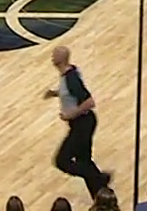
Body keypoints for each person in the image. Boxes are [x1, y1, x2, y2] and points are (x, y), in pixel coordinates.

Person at [42, 45, 110, 198]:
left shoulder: (71, 78)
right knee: (84, 160)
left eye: (55, 55)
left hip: (83, 123)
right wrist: (55, 93)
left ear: (62, 58)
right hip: (81, 123)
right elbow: (69, 92)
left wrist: (71, 114)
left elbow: (89, 102)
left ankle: (99, 178)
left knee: (62, 161)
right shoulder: (67, 74)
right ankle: (101, 194)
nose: (52, 58)